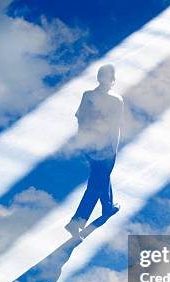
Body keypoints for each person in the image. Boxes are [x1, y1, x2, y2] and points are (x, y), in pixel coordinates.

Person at [65, 64, 123, 239]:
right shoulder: (116, 100)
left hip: (89, 145)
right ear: (113, 81)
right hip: (105, 148)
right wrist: (114, 148)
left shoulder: (87, 95)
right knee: (96, 183)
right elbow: (115, 127)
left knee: (101, 177)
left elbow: (80, 119)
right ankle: (76, 222)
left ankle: (108, 207)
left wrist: (82, 142)